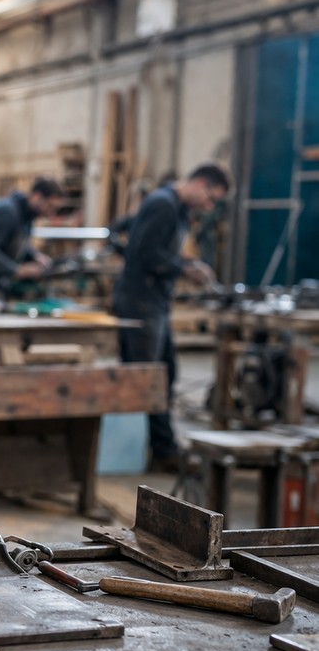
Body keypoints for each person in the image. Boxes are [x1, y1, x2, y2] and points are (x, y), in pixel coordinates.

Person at [112, 162, 230, 472]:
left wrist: (184, 263)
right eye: (211, 198)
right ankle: (152, 451)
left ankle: (160, 446)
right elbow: (144, 254)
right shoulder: (163, 205)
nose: (209, 206)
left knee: (166, 373)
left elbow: (133, 233)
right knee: (147, 378)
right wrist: (185, 269)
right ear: (200, 184)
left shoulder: (174, 207)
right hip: (140, 303)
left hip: (154, 302)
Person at [0, 177, 64, 302]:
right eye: (50, 206)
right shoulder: (7, 212)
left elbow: (15, 241)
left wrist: (35, 256)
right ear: (37, 196)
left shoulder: (27, 216)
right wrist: (18, 270)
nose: (51, 213)